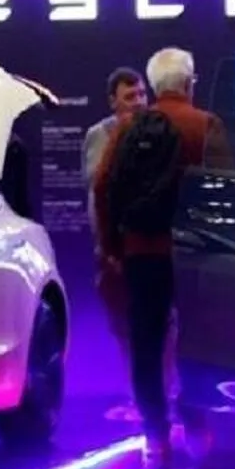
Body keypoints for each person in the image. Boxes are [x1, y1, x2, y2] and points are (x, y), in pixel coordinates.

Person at [93, 47, 231, 460]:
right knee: (197, 341)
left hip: (141, 250)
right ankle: (197, 426)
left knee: (146, 342)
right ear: (189, 83)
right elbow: (227, 189)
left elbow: (102, 186)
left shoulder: (130, 128)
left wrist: (113, 246)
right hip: (195, 256)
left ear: (153, 86)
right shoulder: (206, 125)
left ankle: (155, 434)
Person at [82, 68, 179, 423]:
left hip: (150, 246)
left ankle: (164, 395)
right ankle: (136, 397)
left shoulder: (159, 130)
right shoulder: (100, 135)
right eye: (129, 96)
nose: (138, 102)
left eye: (141, 94)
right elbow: (97, 190)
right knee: (123, 325)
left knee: (163, 324)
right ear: (113, 101)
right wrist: (106, 246)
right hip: (113, 248)